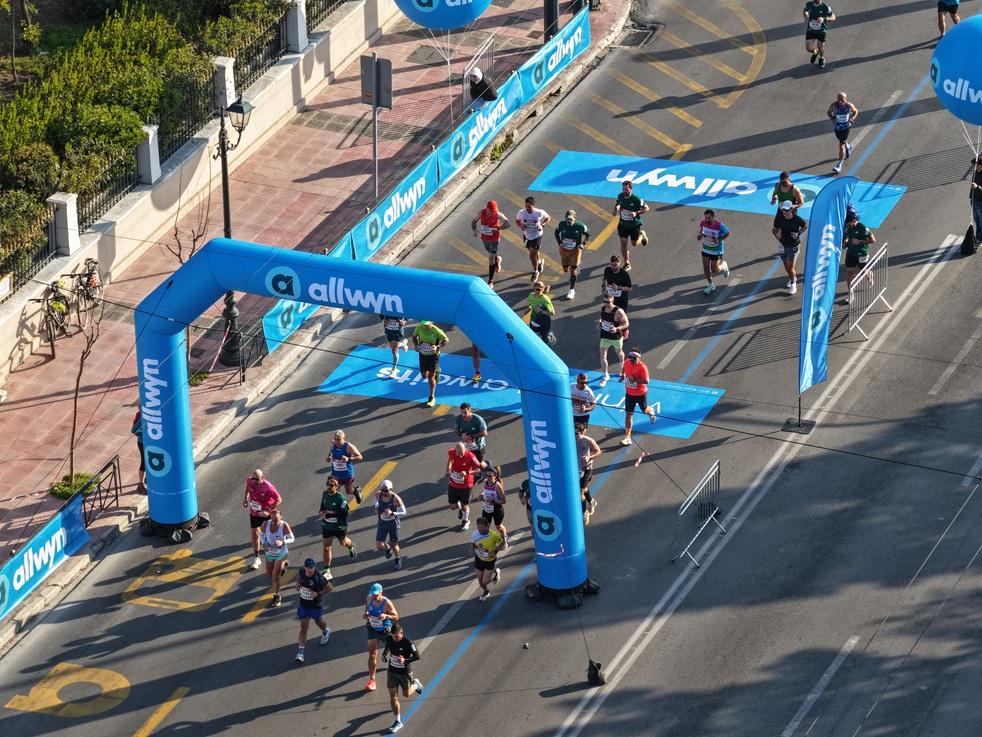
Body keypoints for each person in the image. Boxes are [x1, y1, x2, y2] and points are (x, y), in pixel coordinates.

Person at [383, 623, 425, 733]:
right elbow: (388, 645)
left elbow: (417, 656)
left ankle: (415, 685)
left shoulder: (409, 643)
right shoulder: (390, 638)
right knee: (393, 696)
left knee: (406, 694)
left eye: (397, 636)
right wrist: (384, 654)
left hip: (404, 673)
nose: (395, 638)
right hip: (392, 671)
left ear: (401, 633)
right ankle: (398, 721)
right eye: (393, 636)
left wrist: (405, 660)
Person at [294, 558, 332, 664]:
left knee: (319, 622)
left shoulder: (318, 578)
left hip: (315, 605)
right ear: (305, 567)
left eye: (312, 568)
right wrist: (298, 585)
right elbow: (300, 580)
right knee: (303, 627)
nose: (310, 570)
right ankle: (300, 653)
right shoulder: (302, 572)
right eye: (308, 567)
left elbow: (330, 587)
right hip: (303, 605)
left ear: (314, 567)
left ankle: (326, 631)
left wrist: (318, 594)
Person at [364, 583, 400, 692]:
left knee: (395, 654)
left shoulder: (386, 603)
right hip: (372, 630)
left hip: (385, 632)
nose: (374, 596)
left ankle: (401, 673)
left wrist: (386, 615)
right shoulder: (369, 598)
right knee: (372, 655)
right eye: (372, 594)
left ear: (381, 592)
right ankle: (372, 680)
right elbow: (367, 609)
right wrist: (366, 614)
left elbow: (396, 617)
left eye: (376, 594)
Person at [243, 469, 282, 570]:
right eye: (253, 478)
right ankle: (257, 557)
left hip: (266, 513)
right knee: (255, 534)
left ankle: (276, 552)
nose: (254, 481)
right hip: (254, 512)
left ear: (262, 478)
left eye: (257, 479)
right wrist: (246, 498)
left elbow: (279, 499)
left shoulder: (268, 487)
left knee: (270, 534)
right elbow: (248, 487)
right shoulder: (250, 481)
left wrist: (268, 510)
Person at [319, 477, 356, 581]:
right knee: (326, 547)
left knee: (343, 542)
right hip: (327, 526)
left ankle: (351, 546)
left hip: (339, 526)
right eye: (327, 484)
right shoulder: (324, 494)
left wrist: (331, 515)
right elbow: (322, 506)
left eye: (331, 485)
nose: (329, 487)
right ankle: (327, 570)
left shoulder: (340, 498)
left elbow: (345, 513)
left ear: (336, 486)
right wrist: (321, 512)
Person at [620, 350, 656, 445]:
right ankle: (628, 437)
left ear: (639, 358)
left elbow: (646, 381)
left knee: (644, 410)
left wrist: (634, 380)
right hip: (629, 393)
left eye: (633, 359)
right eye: (630, 359)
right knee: (628, 414)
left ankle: (651, 410)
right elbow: (624, 368)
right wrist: (622, 376)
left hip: (640, 394)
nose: (631, 361)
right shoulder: (627, 362)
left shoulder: (642, 367)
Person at [260, 507, 294, 607]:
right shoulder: (266, 524)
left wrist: (283, 542)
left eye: (277, 520)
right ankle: (284, 565)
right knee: (269, 574)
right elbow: (261, 534)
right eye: (273, 520)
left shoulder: (284, 525)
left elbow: (292, 538)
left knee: (275, 577)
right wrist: (264, 543)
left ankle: (277, 596)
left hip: (280, 554)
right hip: (269, 553)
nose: (275, 522)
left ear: (281, 517)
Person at [772, 201, 808, 295]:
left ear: (791, 209)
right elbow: (774, 230)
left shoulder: (797, 219)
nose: (785, 212)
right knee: (786, 266)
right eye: (783, 209)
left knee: (790, 266)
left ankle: (793, 283)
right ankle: (793, 277)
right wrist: (778, 237)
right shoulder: (779, 219)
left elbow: (805, 226)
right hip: (782, 245)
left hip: (794, 245)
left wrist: (798, 233)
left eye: (787, 210)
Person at [613, 180, 649, 271]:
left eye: (626, 189)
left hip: (634, 225)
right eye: (623, 189)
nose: (624, 191)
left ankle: (642, 235)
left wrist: (636, 213)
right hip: (623, 224)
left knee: (634, 244)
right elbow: (618, 202)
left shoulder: (637, 199)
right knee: (623, 244)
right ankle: (627, 263)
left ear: (631, 189)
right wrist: (616, 208)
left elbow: (646, 208)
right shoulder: (620, 196)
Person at [471, 200, 509, 287]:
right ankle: (497, 260)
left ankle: (490, 281)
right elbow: (473, 221)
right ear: (487, 208)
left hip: (494, 239)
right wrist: (474, 230)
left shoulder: (498, 214)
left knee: (491, 258)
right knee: (491, 254)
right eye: (491, 211)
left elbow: (507, 223)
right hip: (484, 238)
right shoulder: (481, 213)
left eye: (494, 211)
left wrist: (498, 228)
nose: (492, 213)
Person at [412, 319, 449, 407]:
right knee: (424, 375)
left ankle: (431, 397)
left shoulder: (436, 330)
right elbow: (414, 337)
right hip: (422, 355)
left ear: (431, 322)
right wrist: (416, 345)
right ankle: (437, 370)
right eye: (424, 324)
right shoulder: (419, 328)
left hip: (433, 356)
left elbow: (446, 340)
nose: (425, 326)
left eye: (427, 324)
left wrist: (438, 346)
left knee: (430, 377)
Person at [554, 209, 590, 299]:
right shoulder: (561, 224)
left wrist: (583, 244)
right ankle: (576, 264)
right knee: (565, 269)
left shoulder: (580, 226)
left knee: (573, 270)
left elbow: (588, 235)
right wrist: (559, 242)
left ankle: (571, 290)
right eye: (567, 219)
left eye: (571, 219)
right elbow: (556, 232)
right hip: (564, 249)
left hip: (575, 250)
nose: (569, 221)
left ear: (575, 218)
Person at [447, 442, 482, 530]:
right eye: (458, 454)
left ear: (465, 450)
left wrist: (467, 472)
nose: (461, 456)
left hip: (466, 486)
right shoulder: (451, 452)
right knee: (452, 506)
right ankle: (459, 507)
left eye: (462, 454)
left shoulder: (471, 456)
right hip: (453, 483)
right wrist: (447, 469)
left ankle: (466, 520)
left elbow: (479, 469)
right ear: (455, 450)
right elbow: (450, 460)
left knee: (464, 506)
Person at [515, 196, 551, 281]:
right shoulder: (521, 212)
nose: (527, 208)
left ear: (533, 205)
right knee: (532, 251)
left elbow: (548, 218)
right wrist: (520, 226)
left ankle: (535, 272)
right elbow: (517, 220)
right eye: (526, 206)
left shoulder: (539, 212)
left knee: (532, 256)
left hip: (537, 236)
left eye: (529, 206)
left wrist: (542, 225)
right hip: (527, 236)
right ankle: (540, 262)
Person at [841, 216, 876, 304]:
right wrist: (845, 242)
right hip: (851, 253)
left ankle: (869, 275)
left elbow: (873, 240)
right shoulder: (848, 227)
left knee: (863, 270)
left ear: (854, 220)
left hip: (862, 253)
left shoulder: (863, 228)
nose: (849, 226)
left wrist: (860, 241)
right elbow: (847, 237)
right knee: (850, 272)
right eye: (847, 224)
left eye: (850, 224)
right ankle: (851, 294)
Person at [375, 480, 408, 571]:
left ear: (391, 489)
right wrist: (377, 508)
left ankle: (398, 558)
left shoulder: (395, 499)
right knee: (379, 545)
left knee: (394, 544)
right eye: (382, 490)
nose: (384, 492)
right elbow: (376, 502)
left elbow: (404, 512)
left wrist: (392, 513)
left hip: (393, 524)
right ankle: (388, 548)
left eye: (386, 490)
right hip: (382, 522)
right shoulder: (378, 495)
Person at [597, 294, 629, 387]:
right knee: (603, 356)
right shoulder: (602, 308)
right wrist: (599, 323)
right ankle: (605, 375)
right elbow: (601, 318)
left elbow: (626, 323)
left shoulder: (618, 311)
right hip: (605, 335)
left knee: (619, 352)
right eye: (605, 301)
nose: (606, 304)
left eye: (608, 302)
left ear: (613, 301)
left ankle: (622, 365)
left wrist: (617, 328)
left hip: (616, 337)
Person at [697, 209, 731, 295]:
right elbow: (702, 231)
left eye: (709, 218)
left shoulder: (720, 226)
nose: (707, 220)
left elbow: (727, 233)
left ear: (713, 217)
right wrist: (700, 235)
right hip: (706, 248)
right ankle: (711, 285)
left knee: (714, 270)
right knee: (705, 267)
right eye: (705, 218)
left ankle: (724, 265)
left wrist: (718, 240)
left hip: (716, 250)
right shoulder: (703, 223)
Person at [471, 516, 505, 601]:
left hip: (489, 560)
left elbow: (502, 542)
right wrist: (471, 549)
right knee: (480, 580)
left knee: (485, 581)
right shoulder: (475, 533)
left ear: (487, 526)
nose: (480, 529)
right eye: (478, 527)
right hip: (479, 559)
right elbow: (473, 543)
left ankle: (495, 574)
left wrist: (496, 550)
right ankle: (486, 591)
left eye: (482, 527)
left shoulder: (493, 535)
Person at [575, 424, 602, 525]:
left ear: (581, 432)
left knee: (580, 493)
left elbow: (598, 451)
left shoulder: (588, 440)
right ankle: (591, 501)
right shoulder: (569, 441)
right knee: (584, 488)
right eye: (573, 432)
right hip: (575, 469)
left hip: (586, 469)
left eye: (576, 433)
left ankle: (584, 512)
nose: (575, 435)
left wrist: (590, 457)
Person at [474, 464, 507, 542]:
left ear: (495, 475)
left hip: (497, 510)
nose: (488, 477)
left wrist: (494, 501)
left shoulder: (497, 486)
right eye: (486, 475)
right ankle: (487, 543)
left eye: (490, 476)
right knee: (485, 528)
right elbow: (485, 491)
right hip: (486, 509)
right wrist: (481, 495)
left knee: (498, 526)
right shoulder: (485, 482)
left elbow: (504, 500)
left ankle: (504, 538)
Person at [328, 430, 363, 503]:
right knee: (334, 491)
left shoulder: (349, 446)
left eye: (338, 439)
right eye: (335, 439)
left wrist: (348, 459)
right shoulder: (333, 444)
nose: (336, 441)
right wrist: (329, 457)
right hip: (335, 473)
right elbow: (331, 452)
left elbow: (360, 457)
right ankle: (338, 506)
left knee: (349, 491)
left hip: (346, 474)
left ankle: (356, 491)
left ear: (343, 438)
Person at [827, 91, 858, 174]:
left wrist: (852, 118)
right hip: (837, 127)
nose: (840, 102)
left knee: (841, 145)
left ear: (845, 99)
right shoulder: (834, 105)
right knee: (842, 140)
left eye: (842, 100)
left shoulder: (849, 105)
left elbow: (856, 111)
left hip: (846, 127)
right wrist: (832, 118)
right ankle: (848, 147)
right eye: (839, 100)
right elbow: (828, 112)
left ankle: (839, 165)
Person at [803, 0, 835, 69]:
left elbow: (833, 17)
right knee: (808, 48)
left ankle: (821, 58)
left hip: (821, 31)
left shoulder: (825, 7)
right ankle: (815, 52)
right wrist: (806, 16)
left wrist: (824, 19)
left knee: (820, 47)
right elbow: (805, 10)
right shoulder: (808, 4)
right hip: (811, 30)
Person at [131, 410, 146, 494]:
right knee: (144, 462)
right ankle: (140, 484)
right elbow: (134, 431)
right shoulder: (141, 415)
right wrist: (144, 434)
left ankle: (146, 478)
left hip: (150, 443)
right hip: (142, 443)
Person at [970, 157, 982, 235]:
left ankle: (980, 238)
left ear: (979, 165)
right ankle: (978, 236)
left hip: (980, 202)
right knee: (976, 220)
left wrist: (977, 186)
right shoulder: (975, 173)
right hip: (974, 199)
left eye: (974, 165)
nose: (973, 166)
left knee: (981, 221)